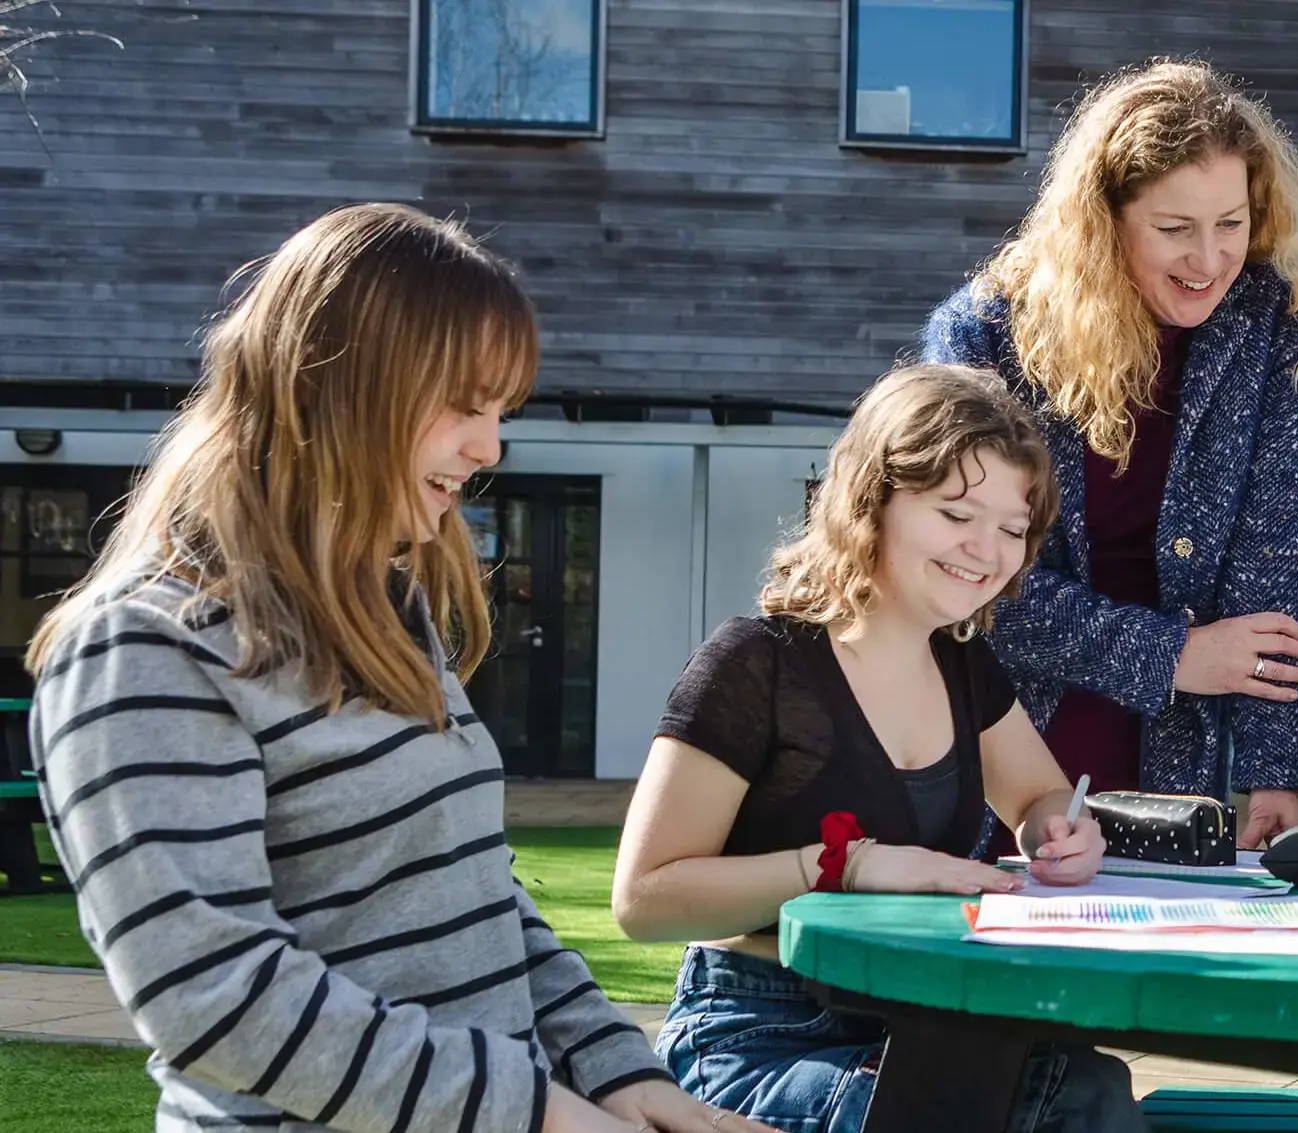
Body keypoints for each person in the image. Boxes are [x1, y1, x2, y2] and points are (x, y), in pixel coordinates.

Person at [25, 204, 764, 1133]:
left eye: (501, 411)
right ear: (331, 379)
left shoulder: (383, 611)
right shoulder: (147, 646)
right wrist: (546, 1115)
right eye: (463, 403)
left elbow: (476, 899)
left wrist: (625, 1078)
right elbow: (213, 998)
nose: (489, 448)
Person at [611, 364, 1141, 1133]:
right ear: (873, 499)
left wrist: (1061, 830)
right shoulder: (755, 662)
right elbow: (642, 899)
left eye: (1012, 527)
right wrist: (845, 866)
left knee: (1089, 1088)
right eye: (957, 512)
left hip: (922, 1016)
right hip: (756, 1030)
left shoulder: (966, 666)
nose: (987, 550)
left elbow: (1037, 797)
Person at [920, 59, 1298, 849]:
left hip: (1171, 760)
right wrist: (1172, 653)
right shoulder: (986, 334)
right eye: (1174, 229)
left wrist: (1275, 770)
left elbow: (1277, 565)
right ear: (1105, 221)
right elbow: (963, 575)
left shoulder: (1279, 326)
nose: (1209, 261)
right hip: (992, 740)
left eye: (1232, 224)